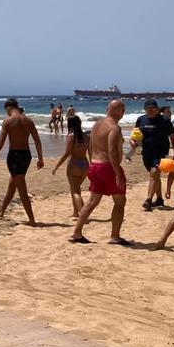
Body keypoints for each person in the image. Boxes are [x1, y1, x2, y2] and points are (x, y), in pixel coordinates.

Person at [70, 99, 129, 245]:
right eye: (123, 110)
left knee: (92, 201)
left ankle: (76, 233)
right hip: (108, 167)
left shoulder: (97, 124)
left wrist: (91, 163)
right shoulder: (114, 128)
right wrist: (118, 173)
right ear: (121, 112)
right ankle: (115, 236)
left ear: (107, 109)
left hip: (95, 165)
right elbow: (112, 152)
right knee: (120, 201)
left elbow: (91, 145)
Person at [0, 99, 44, 225]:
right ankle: (1, 211)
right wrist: (40, 158)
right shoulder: (28, 121)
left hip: (14, 156)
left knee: (22, 189)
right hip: (26, 156)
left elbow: (1, 141)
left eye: (6, 111)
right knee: (13, 184)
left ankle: (31, 219)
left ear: (9, 108)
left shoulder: (8, 121)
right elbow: (37, 141)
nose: (7, 113)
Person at [135, 99, 174, 210]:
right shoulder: (141, 120)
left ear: (157, 109)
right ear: (144, 109)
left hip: (160, 152)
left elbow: (173, 137)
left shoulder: (164, 120)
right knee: (155, 176)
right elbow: (135, 135)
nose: (150, 110)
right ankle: (159, 199)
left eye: (152, 108)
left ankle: (148, 200)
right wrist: (133, 142)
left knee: (154, 173)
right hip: (146, 153)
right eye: (148, 108)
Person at [52, 115, 89, 218]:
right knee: (76, 189)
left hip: (74, 164)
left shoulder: (71, 136)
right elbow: (91, 152)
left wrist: (57, 166)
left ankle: (83, 215)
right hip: (85, 164)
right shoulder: (86, 136)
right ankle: (75, 212)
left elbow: (67, 153)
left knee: (75, 191)